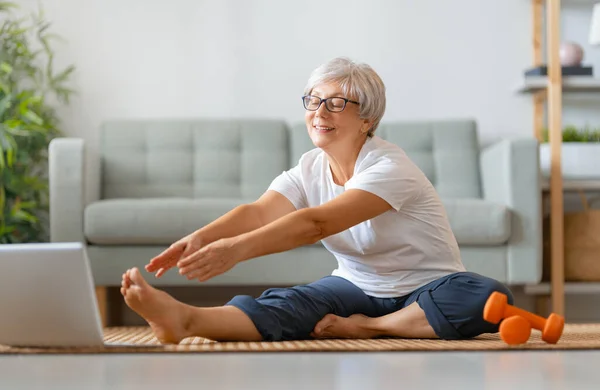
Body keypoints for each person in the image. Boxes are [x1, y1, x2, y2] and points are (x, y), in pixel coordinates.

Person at [120, 57, 514, 344]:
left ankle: (371, 327)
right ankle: (186, 320)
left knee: (485, 296)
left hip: (426, 288)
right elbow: (258, 212)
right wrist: (201, 239)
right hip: (354, 287)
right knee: (293, 301)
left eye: (337, 102)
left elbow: (317, 224)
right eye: (314, 99)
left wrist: (235, 251)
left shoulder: (390, 166)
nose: (320, 112)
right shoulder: (310, 167)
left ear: (368, 119)